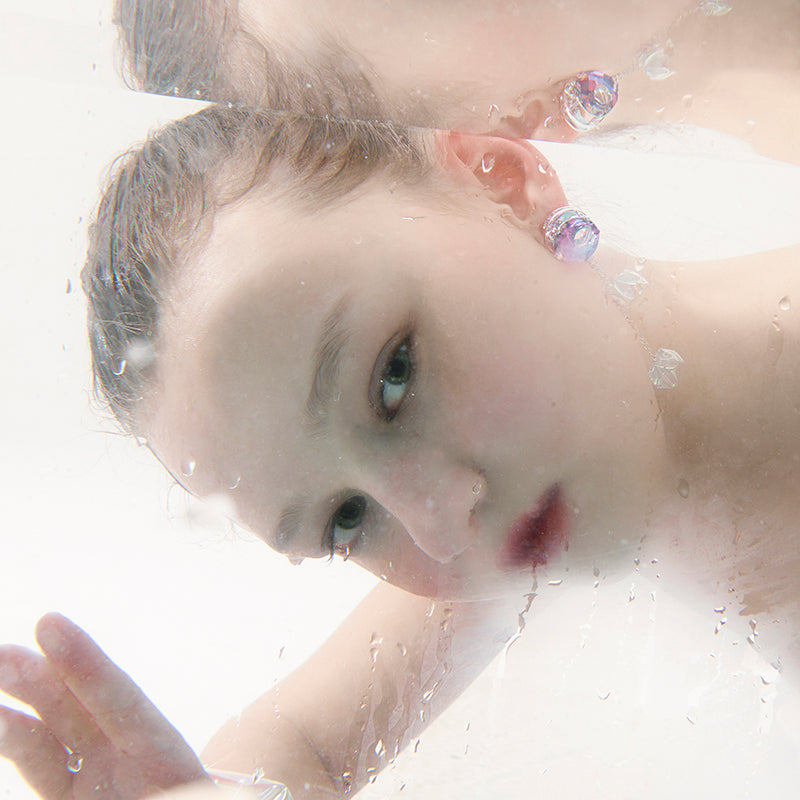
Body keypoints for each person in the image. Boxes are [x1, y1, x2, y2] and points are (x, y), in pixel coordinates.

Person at [2, 2, 800, 798]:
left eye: (394, 377)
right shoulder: (534, 499)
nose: (441, 522)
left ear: (504, 184)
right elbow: (293, 745)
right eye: (346, 520)